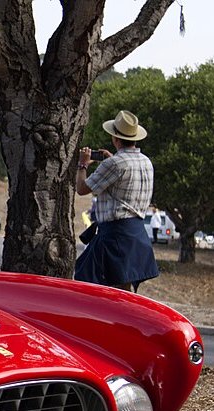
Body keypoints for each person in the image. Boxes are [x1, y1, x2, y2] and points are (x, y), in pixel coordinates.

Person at [74, 110, 159, 292]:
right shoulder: (146, 161)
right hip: (136, 234)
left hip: (114, 236)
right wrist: (111, 159)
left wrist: (82, 164)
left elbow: (81, 188)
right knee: (124, 290)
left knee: (88, 283)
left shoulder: (113, 164)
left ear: (115, 138)